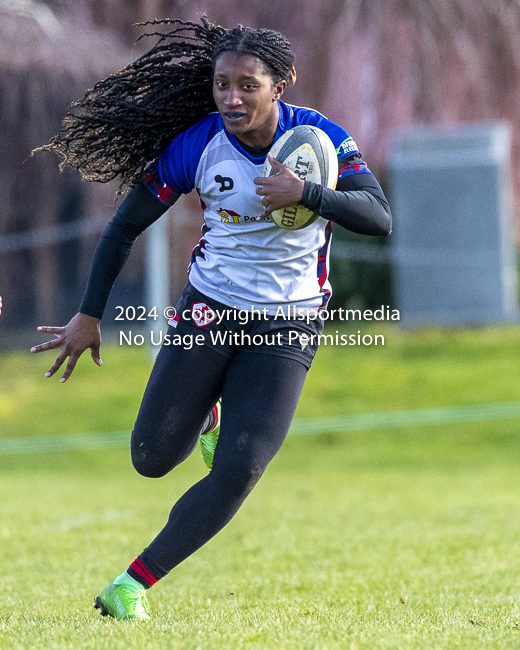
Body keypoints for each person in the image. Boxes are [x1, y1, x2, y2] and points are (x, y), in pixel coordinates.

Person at [31, 18, 391, 620]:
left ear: (282, 85)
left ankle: (131, 585)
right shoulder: (198, 144)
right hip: (209, 309)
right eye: (222, 84)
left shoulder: (320, 140)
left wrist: (308, 194)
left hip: (289, 322)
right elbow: (124, 227)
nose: (231, 98)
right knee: (150, 458)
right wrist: (88, 315)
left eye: (248, 86)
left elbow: (378, 218)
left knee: (242, 468)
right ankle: (210, 413)